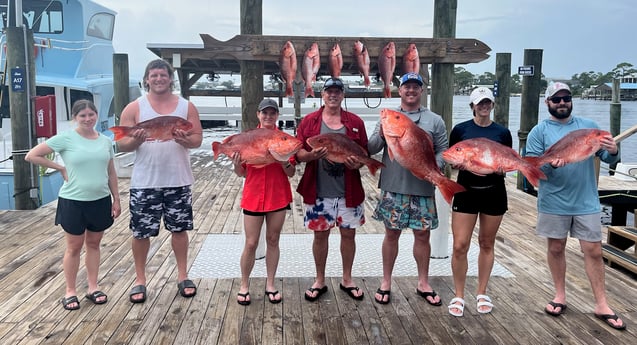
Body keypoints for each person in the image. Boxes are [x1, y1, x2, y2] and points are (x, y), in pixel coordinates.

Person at [526, 82, 626, 331]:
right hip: (553, 200)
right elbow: (534, 165)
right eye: (556, 99)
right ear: (547, 102)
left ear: (571, 100)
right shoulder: (539, 131)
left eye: (566, 98)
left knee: (593, 250)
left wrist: (613, 150)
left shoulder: (590, 127)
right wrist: (551, 165)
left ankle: (602, 303)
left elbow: (608, 157)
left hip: (586, 200)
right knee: (556, 247)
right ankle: (560, 295)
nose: (562, 103)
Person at [117, 59, 203, 303]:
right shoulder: (135, 107)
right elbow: (122, 143)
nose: (158, 79)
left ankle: (183, 275)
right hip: (145, 181)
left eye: (163, 75)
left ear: (170, 79)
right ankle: (140, 280)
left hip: (178, 179)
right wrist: (137, 140)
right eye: (153, 75)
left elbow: (196, 139)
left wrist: (183, 140)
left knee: (180, 229)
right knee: (141, 232)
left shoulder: (186, 107)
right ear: (146, 79)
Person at [25, 100, 121, 310]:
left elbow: (111, 172)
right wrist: (59, 167)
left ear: (96, 115)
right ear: (75, 118)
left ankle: (93, 287)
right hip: (73, 201)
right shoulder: (66, 138)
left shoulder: (105, 141)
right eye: (82, 116)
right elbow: (32, 155)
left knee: (94, 244)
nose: (88, 119)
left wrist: (116, 198)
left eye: (91, 115)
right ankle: (70, 291)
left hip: (100, 200)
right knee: (74, 247)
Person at [368, 72, 446, 306]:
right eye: (406, 87)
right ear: (399, 90)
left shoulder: (435, 120)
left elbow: (443, 149)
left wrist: (433, 168)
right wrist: (382, 134)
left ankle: (423, 282)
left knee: (422, 235)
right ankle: (386, 281)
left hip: (423, 186)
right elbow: (370, 148)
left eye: (416, 87)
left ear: (422, 91)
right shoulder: (388, 117)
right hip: (393, 187)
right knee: (391, 234)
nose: (411, 91)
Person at [296, 77, 368, 301]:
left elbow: (363, 152)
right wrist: (310, 155)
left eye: (337, 91)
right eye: (329, 91)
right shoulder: (309, 121)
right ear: (322, 95)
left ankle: (347, 279)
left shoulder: (355, 121)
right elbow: (297, 153)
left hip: (349, 191)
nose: (333, 95)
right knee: (320, 236)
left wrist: (359, 163)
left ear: (342, 95)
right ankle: (319, 280)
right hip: (318, 192)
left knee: (349, 235)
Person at [446, 87, 512, 316]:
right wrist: (456, 163)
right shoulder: (461, 129)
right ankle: (459, 294)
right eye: (479, 103)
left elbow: (507, 158)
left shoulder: (502, 132)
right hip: (466, 191)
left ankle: (482, 292)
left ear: (492, 105)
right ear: (472, 106)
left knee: (486, 243)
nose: (483, 106)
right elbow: (451, 155)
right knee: (459, 245)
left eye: (487, 102)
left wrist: (504, 168)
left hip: (494, 191)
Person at [233, 99, 296, 305]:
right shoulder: (249, 137)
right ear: (258, 115)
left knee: (273, 239)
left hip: (278, 195)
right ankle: (244, 284)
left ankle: (270, 283)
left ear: (277, 115)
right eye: (265, 113)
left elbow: (291, 172)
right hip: (253, 195)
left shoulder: (283, 139)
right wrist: (236, 163)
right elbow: (242, 173)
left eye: (272, 113)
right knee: (250, 243)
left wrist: (284, 161)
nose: (268, 116)